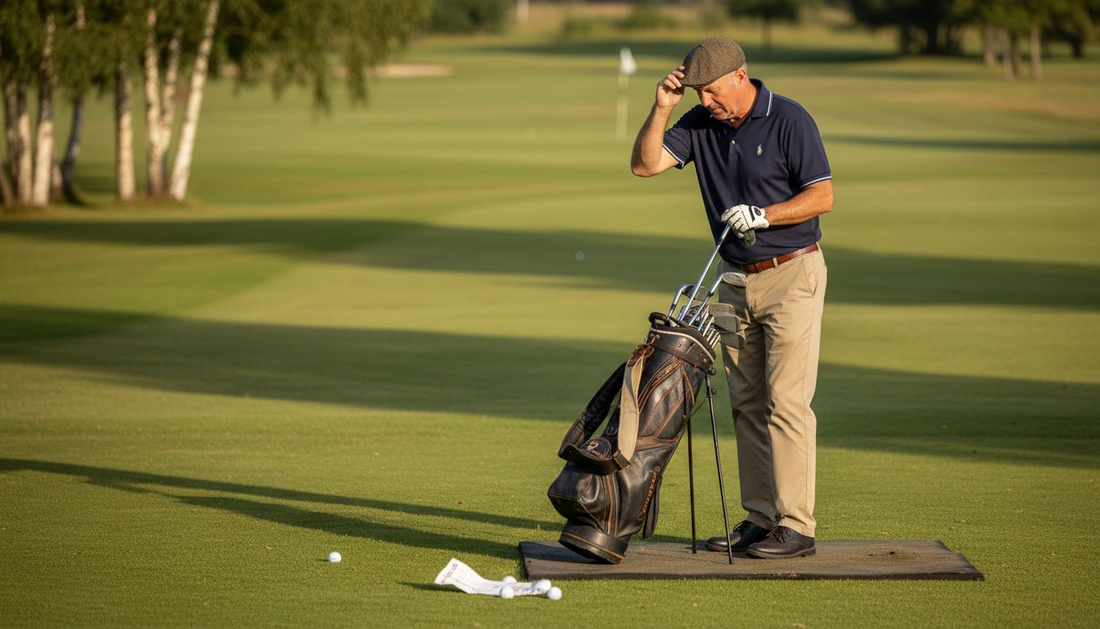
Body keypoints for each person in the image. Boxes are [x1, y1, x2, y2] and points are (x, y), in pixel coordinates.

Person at [630, 37, 831, 559]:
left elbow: (822, 196)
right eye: (698, 92)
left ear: (741, 76)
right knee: (746, 402)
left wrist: (764, 215)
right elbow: (645, 165)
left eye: (713, 91)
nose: (707, 101)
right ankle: (761, 518)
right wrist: (662, 107)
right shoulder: (700, 122)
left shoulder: (789, 119)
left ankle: (797, 525)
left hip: (792, 275)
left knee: (786, 401)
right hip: (734, 281)